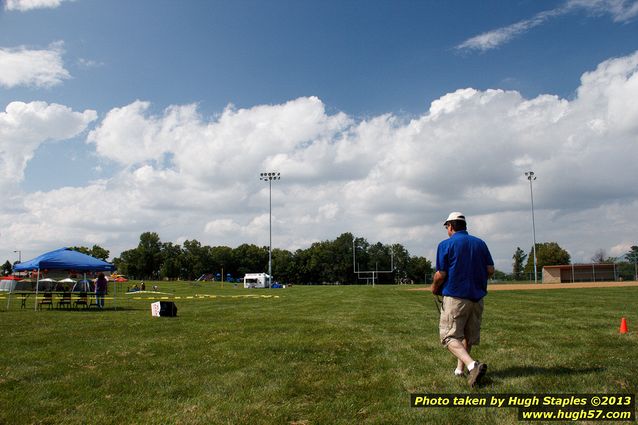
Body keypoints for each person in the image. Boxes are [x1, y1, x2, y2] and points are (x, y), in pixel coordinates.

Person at [431, 212, 494, 388]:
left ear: (450, 226)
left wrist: (434, 288)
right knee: (467, 335)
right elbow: (490, 269)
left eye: (447, 227)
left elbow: (441, 274)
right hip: (477, 298)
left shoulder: (446, 244)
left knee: (448, 336)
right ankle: (460, 370)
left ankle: (472, 365)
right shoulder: (480, 243)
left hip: (455, 298)